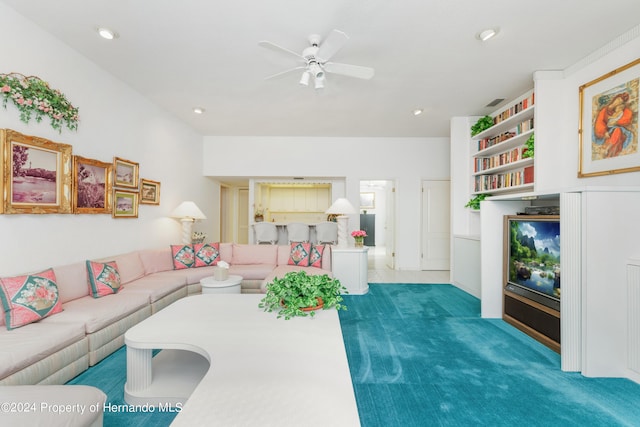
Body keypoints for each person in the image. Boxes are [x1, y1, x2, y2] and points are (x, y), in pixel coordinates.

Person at [593, 91, 634, 158]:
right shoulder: (604, 110)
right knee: (614, 134)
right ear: (615, 99)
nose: (618, 103)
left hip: (619, 132)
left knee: (618, 131)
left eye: (620, 102)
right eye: (618, 100)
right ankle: (607, 152)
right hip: (607, 133)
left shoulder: (621, 110)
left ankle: (609, 151)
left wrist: (617, 122)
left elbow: (627, 118)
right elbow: (599, 122)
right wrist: (604, 132)